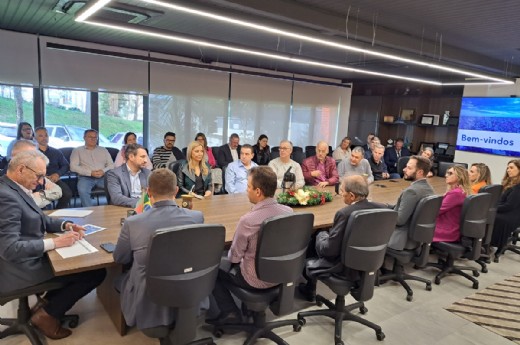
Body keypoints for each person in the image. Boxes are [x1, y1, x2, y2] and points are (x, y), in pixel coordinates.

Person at [0, 150, 106, 340]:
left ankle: (45, 307)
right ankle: (46, 316)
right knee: (94, 271)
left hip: (25, 259)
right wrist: (54, 243)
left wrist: (66, 224)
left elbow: (39, 218)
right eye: (39, 176)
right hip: (19, 268)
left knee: (82, 263)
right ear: (22, 169)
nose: (42, 182)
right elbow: (9, 249)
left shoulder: (14, 188)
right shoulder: (5, 197)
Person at [113, 168, 204, 335]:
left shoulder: (133, 222)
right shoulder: (197, 217)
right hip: (187, 287)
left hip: (150, 299)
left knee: (119, 278)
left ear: (148, 192)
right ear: (176, 191)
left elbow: (120, 258)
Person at [207, 166, 293, 325]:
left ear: (258, 191)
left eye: (248, 187)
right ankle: (249, 309)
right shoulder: (288, 211)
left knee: (214, 267)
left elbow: (235, 256)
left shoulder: (248, 220)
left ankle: (230, 312)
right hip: (282, 273)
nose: (246, 190)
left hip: (254, 279)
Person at [298, 175, 384, 300]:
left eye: (342, 192)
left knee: (316, 237)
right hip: (369, 261)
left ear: (352, 196)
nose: (341, 194)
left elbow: (329, 250)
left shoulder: (345, 214)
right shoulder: (382, 208)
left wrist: (321, 234)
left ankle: (310, 288)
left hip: (344, 266)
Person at [387, 155, 434, 250]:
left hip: (401, 239)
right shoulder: (429, 189)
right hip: (417, 239)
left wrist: (384, 214)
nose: (404, 169)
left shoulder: (411, 192)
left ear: (420, 172)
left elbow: (400, 220)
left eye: (409, 168)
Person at [11, 139, 62, 209]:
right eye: (31, 156)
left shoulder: (37, 173)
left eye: (37, 154)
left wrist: (41, 194)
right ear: (15, 157)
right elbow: (25, 207)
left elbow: (57, 191)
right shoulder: (6, 181)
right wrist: (47, 198)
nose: (37, 159)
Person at [70, 129, 114, 207]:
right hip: (86, 177)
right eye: (90, 137)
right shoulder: (77, 150)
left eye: (95, 137)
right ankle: (89, 211)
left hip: (103, 177)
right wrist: (90, 173)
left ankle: (112, 208)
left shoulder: (103, 150)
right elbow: (73, 167)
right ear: (84, 137)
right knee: (82, 190)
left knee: (114, 187)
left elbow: (111, 165)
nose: (93, 139)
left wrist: (103, 171)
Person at [34, 127, 72, 208]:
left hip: (54, 179)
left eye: (46, 135)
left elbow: (65, 165)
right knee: (40, 198)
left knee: (67, 193)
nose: (44, 138)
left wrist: (58, 174)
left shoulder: (56, 152)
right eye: (41, 136)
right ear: (35, 138)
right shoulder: (32, 152)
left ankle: (57, 212)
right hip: (37, 180)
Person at [433, 165, 472, 242]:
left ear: (459, 177)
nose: (446, 175)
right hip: (453, 227)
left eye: (450, 173)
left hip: (447, 230)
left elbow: (437, 211)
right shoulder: (461, 190)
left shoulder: (455, 193)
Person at [491, 159, 520, 254]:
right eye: (507, 168)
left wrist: (493, 208)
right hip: (508, 212)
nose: (508, 170)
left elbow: (509, 206)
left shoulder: (518, 187)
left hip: (512, 215)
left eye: (511, 168)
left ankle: (489, 244)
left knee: (491, 217)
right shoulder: (510, 183)